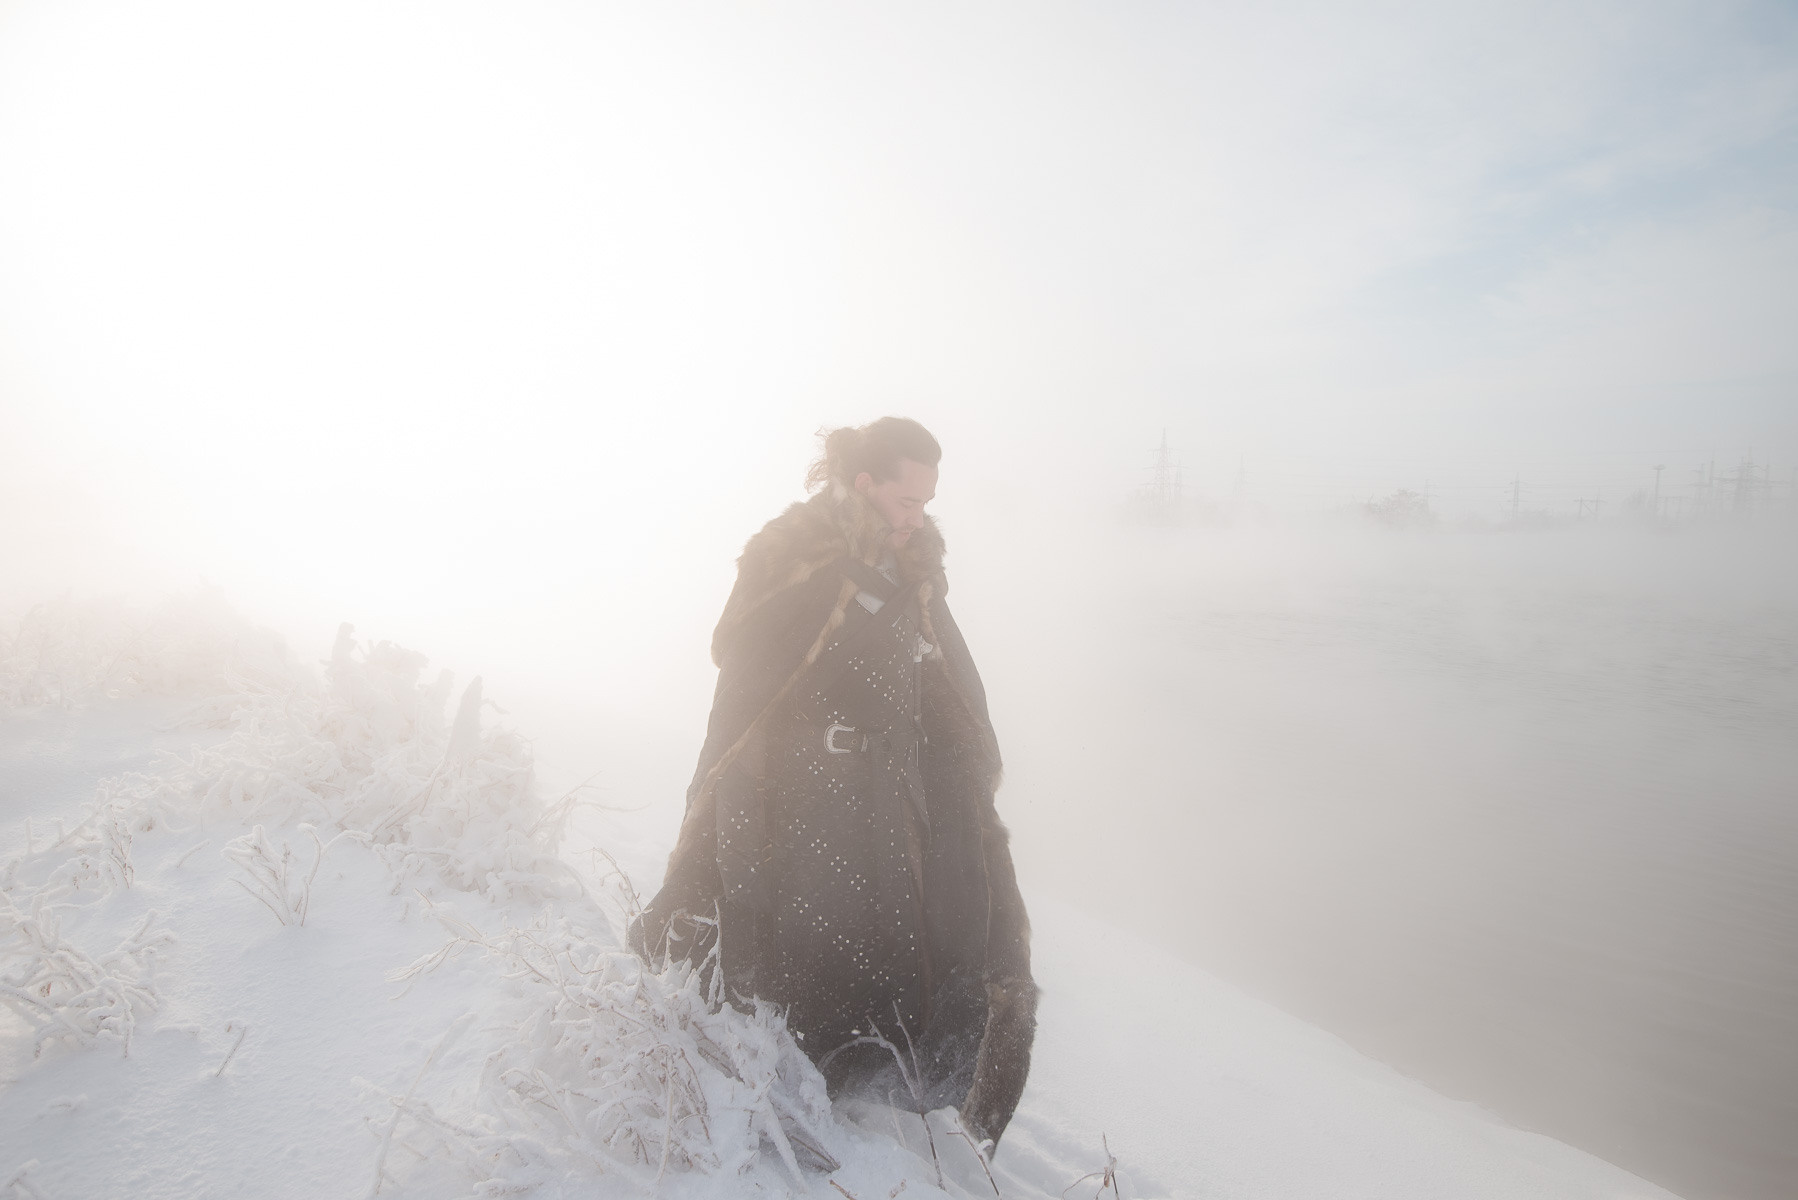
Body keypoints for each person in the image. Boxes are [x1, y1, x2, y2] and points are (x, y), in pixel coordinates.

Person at [633, 416, 1036, 1152]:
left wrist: (958, 776)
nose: (919, 516)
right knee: (805, 950)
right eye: (908, 500)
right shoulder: (797, 556)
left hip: (889, 797)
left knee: (912, 940)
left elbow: (943, 687)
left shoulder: (914, 568)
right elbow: (746, 680)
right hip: (803, 798)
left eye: (927, 503)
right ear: (865, 483)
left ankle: (869, 1094)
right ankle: (785, 1107)